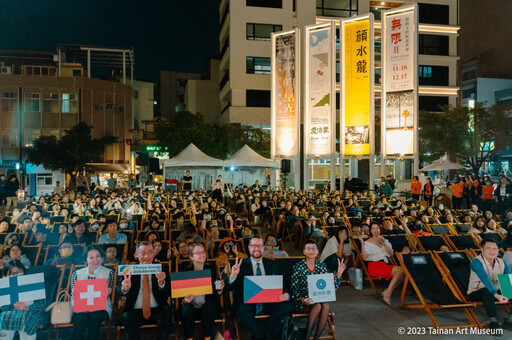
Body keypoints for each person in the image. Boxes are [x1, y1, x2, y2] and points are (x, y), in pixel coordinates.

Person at [227, 237, 292, 340]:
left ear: (263, 248)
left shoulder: (272, 264)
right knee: (242, 309)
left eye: (259, 246)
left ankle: (264, 333)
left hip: (268, 302)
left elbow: (281, 284)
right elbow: (229, 287)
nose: (256, 249)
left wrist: (286, 294)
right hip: (248, 303)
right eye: (253, 246)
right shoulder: (240, 265)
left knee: (287, 305)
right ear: (248, 248)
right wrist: (233, 276)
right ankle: (264, 337)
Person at [291, 240, 345, 340]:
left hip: (318, 299)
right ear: (304, 251)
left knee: (324, 304)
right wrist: (302, 299)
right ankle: (307, 337)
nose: (311, 250)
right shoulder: (298, 267)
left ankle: (315, 338)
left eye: (314, 248)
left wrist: (338, 275)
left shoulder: (321, 266)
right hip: (302, 302)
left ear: (318, 251)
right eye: (308, 248)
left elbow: (330, 289)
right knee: (318, 305)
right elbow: (294, 290)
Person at [119, 241, 172, 340]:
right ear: (136, 255)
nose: (147, 256)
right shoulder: (129, 269)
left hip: (157, 308)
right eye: (142, 253)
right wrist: (124, 288)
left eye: (150, 252)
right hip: (135, 310)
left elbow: (169, 292)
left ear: (154, 253)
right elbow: (119, 290)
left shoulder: (162, 268)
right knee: (127, 316)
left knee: (167, 314)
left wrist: (161, 283)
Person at [181, 243, 224, 340]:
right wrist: (184, 301)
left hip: (207, 307)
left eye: (203, 252)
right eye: (198, 253)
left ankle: (207, 338)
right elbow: (179, 296)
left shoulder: (212, 270)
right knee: (187, 309)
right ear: (191, 257)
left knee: (208, 307)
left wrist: (219, 289)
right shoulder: (184, 271)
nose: (203, 254)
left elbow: (217, 294)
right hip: (192, 307)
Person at [71, 245, 114, 340]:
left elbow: (108, 293)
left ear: (102, 258)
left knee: (95, 316)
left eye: (98, 256)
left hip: (102, 308)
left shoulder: (109, 273)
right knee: (79, 317)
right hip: (82, 308)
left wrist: (107, 292)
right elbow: (74, 297)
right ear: (85, 261)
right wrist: (74, 294)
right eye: (91, 257)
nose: (95, 260)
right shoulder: (77, 274)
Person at [468, 238, 511, 331]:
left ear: (498, 250)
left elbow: (508, 280)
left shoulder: (502, 262)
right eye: (488, 248)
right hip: (477, 292)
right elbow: (485, 279)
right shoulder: (476, 262)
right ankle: (493, 321)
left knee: (509, 288)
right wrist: (496, 294)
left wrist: (508, 293)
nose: (492, 251)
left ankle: (510, 319)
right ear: (482, 249)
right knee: (486, 291)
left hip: (496, 291)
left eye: (494, 249)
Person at [0, 260, 48, 340]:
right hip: (10, 314)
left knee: (27, 319)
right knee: (4, 318)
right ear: (6, 275)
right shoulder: (4, 285)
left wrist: (27, 307)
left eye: (19, 271)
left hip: (31, 312)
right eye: (12, 273)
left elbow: (42, 305)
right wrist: (14, 306)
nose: (16, 275)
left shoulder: (33, 282)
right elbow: (3, 307)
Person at [359, 222, 405, 306]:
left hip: (384, 265)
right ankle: (388, 292)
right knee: (401, 270)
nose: (376, 230)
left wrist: (383, 243)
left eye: (377, 228)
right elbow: (365, 258)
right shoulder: (368, 243)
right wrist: (362, 242)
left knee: (404, 272)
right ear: (370, 231)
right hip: (374, 266)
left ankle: (388, 291)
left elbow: (391, 254)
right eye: (373, 228)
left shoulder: (385, 241)